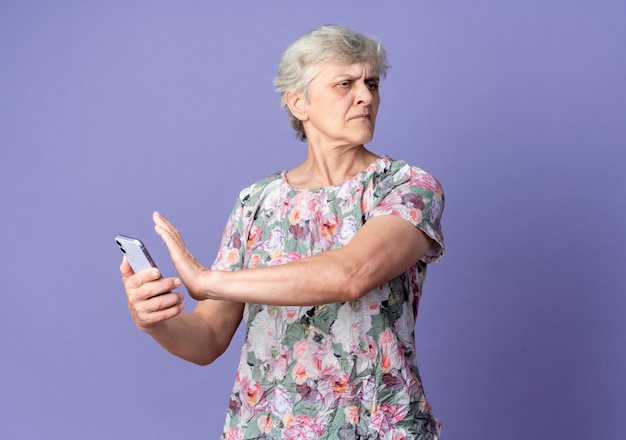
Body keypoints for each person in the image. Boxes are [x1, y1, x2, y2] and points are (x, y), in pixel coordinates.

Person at [121, 24, 445, 440]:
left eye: (371, 83)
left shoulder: (407, 187)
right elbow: (208, 337)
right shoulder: (256, 202)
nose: (365, 96)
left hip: (378, 425)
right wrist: (156, 323)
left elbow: (351, 274)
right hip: (266, 428)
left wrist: (206, 280)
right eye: (345, 84)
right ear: (298, 103)